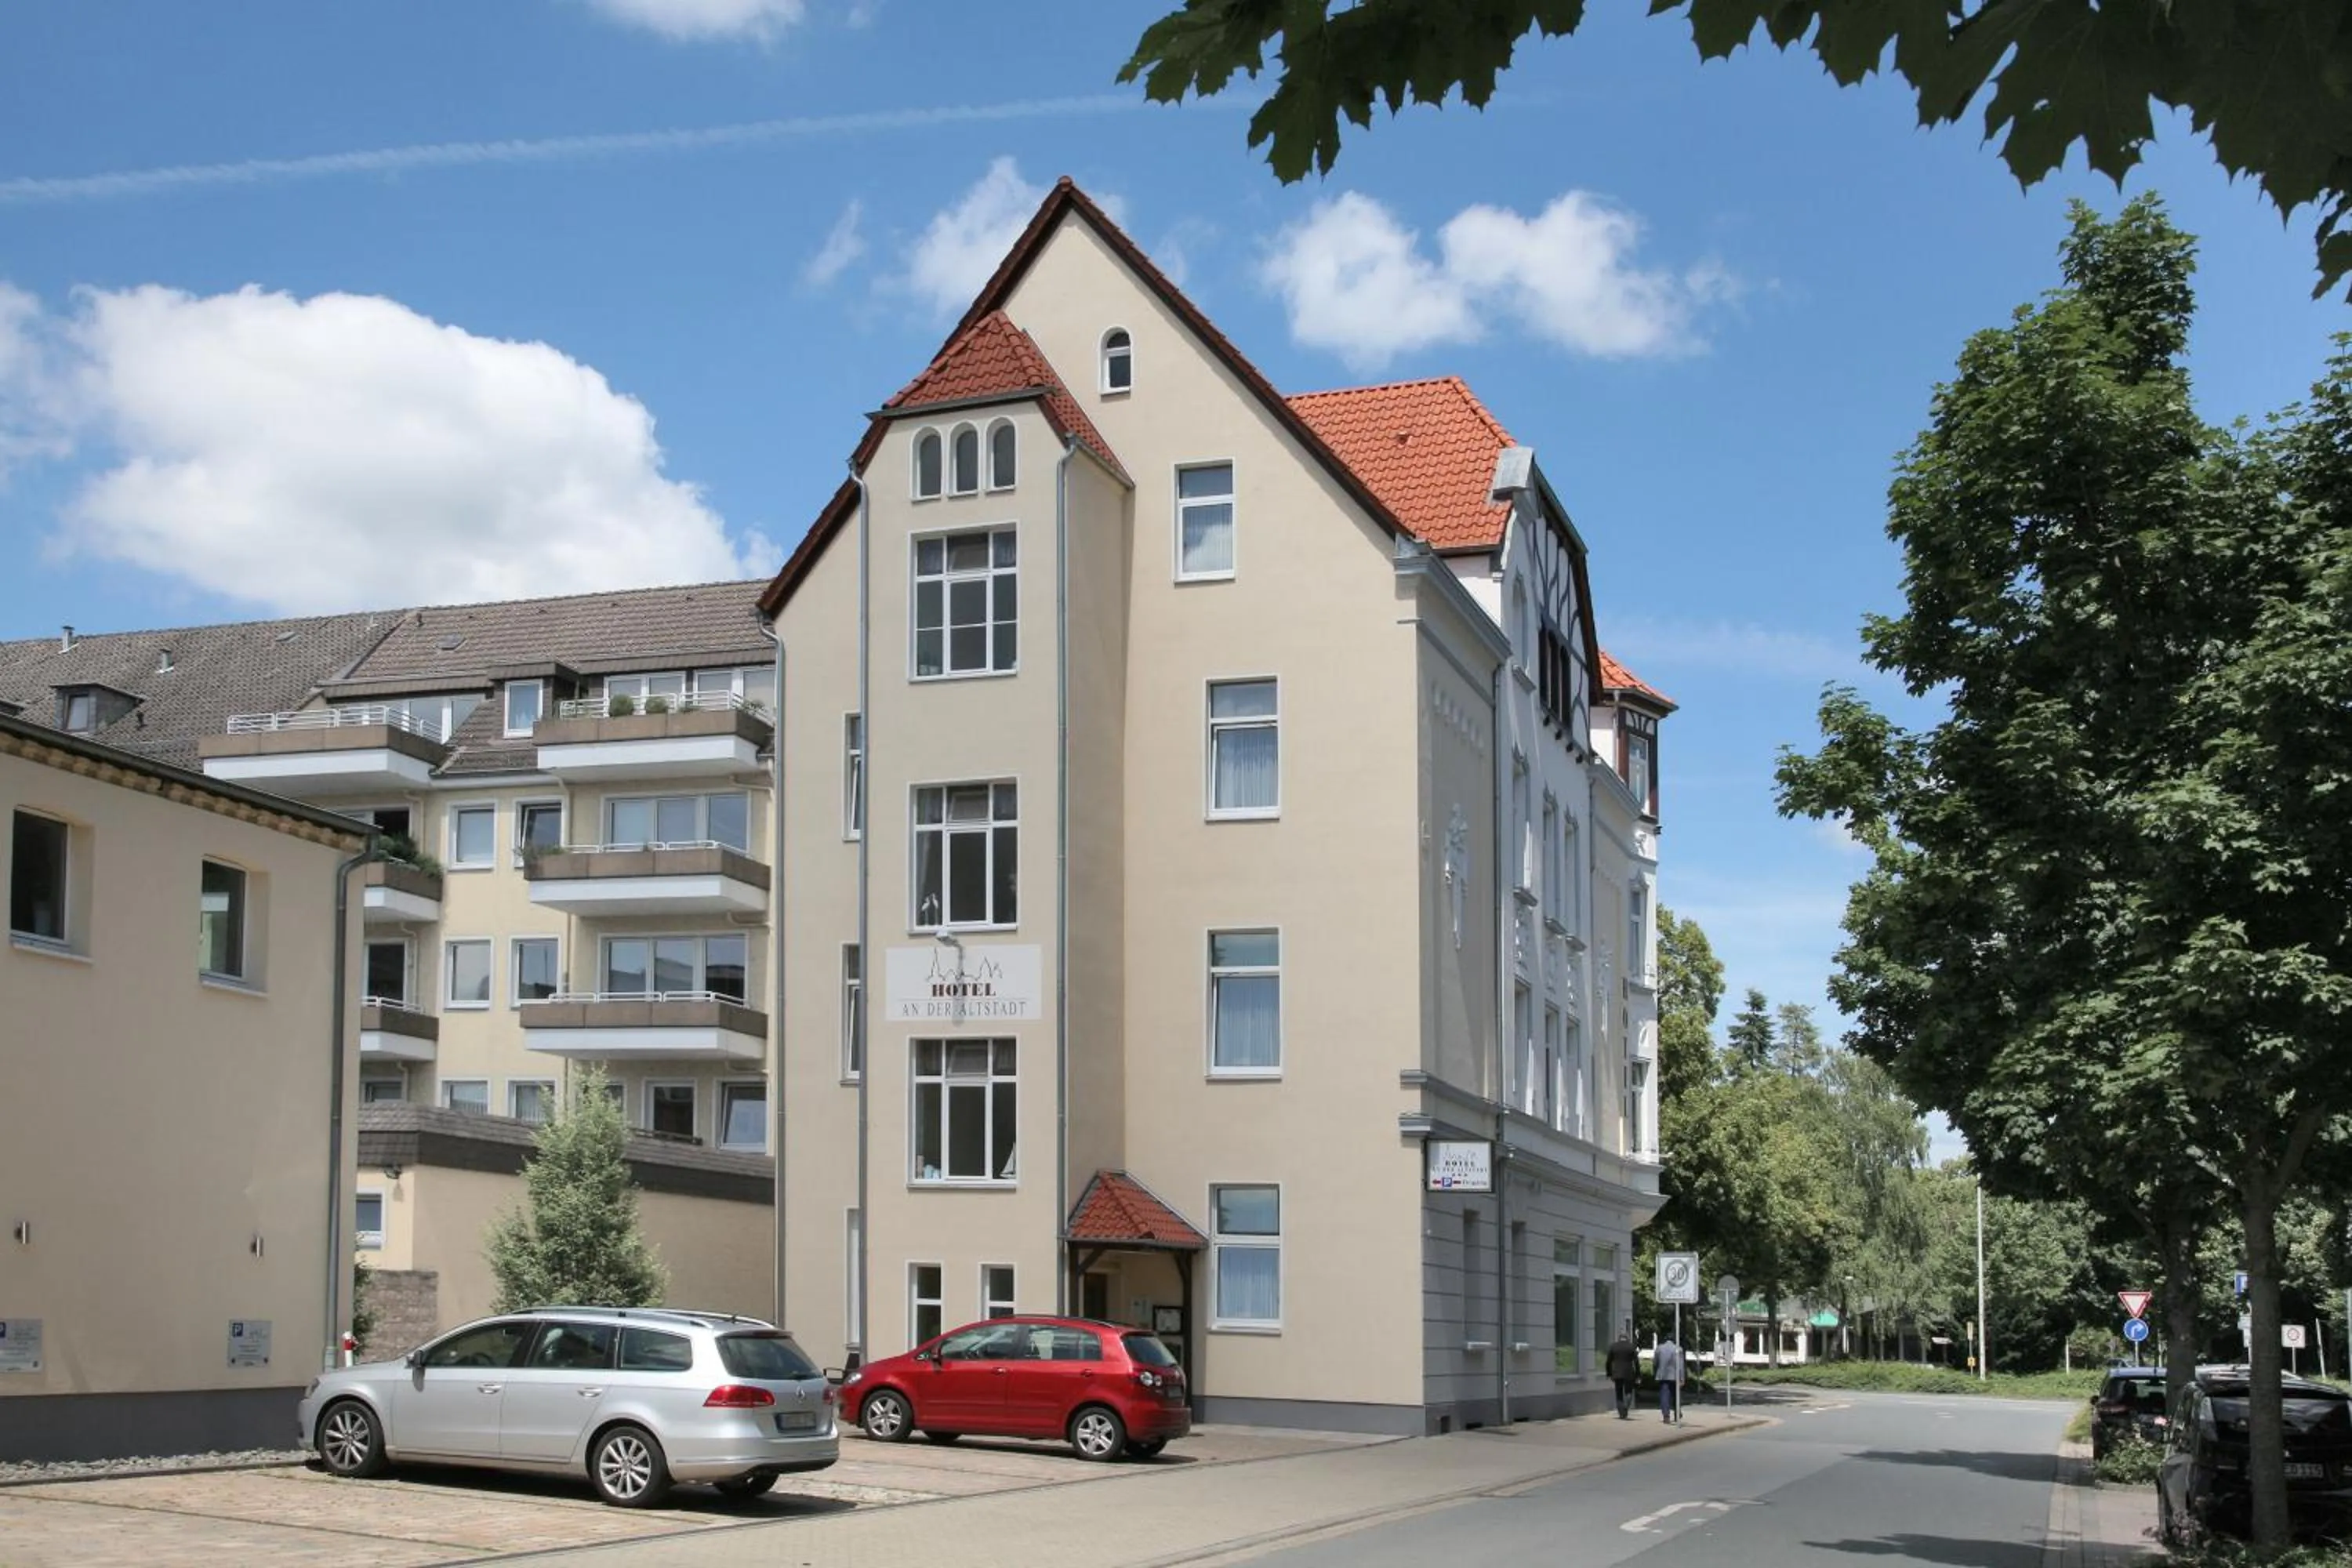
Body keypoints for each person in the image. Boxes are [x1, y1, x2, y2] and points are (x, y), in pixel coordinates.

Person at [1606, 1329, 1639, 1419]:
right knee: (1628, 1392)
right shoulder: (1631, 1347)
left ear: (1619, 1338)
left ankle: (1621, 1412)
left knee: (1619, 1393)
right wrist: (1638, 1375)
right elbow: (1636, 1362)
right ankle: (1626, 1407)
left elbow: (1608, 1361)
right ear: (1627, 1338)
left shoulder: (1614, 1346)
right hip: (1629, 1373)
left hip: (1617, 1373)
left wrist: (1609, 1373)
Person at [1654, 1333, 1684, 1423]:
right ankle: (1677, 1414)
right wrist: (1682, 1378)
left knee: (1664, 1396)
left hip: (1663, 1376)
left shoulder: (1659, 1348)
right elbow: (1681, 1365)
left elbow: (1655, 1362)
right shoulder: (1678, 1349)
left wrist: (1656, 1373)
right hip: (1675, 1376)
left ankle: (1666, 1415)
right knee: (1676, 1396)